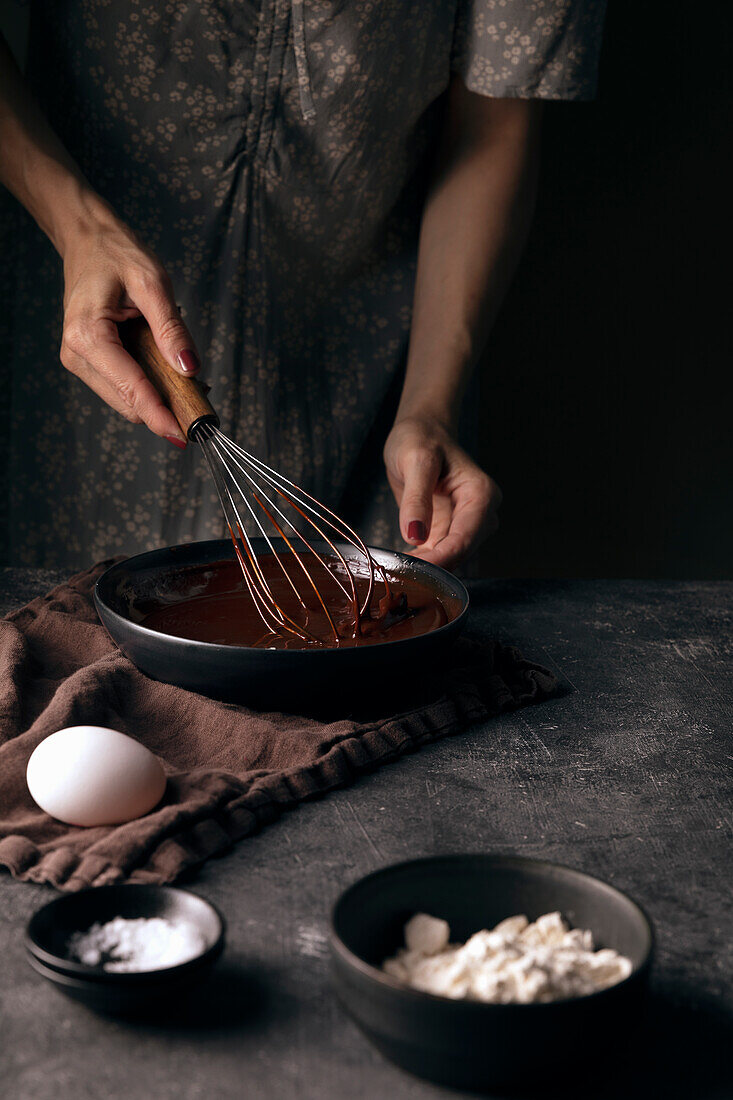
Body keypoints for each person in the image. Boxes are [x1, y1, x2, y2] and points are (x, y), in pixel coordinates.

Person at [0, 2, 605, 570]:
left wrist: (429, 408)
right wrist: (77, 225)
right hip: (85, 337)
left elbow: (493, 123)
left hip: (372, 383)